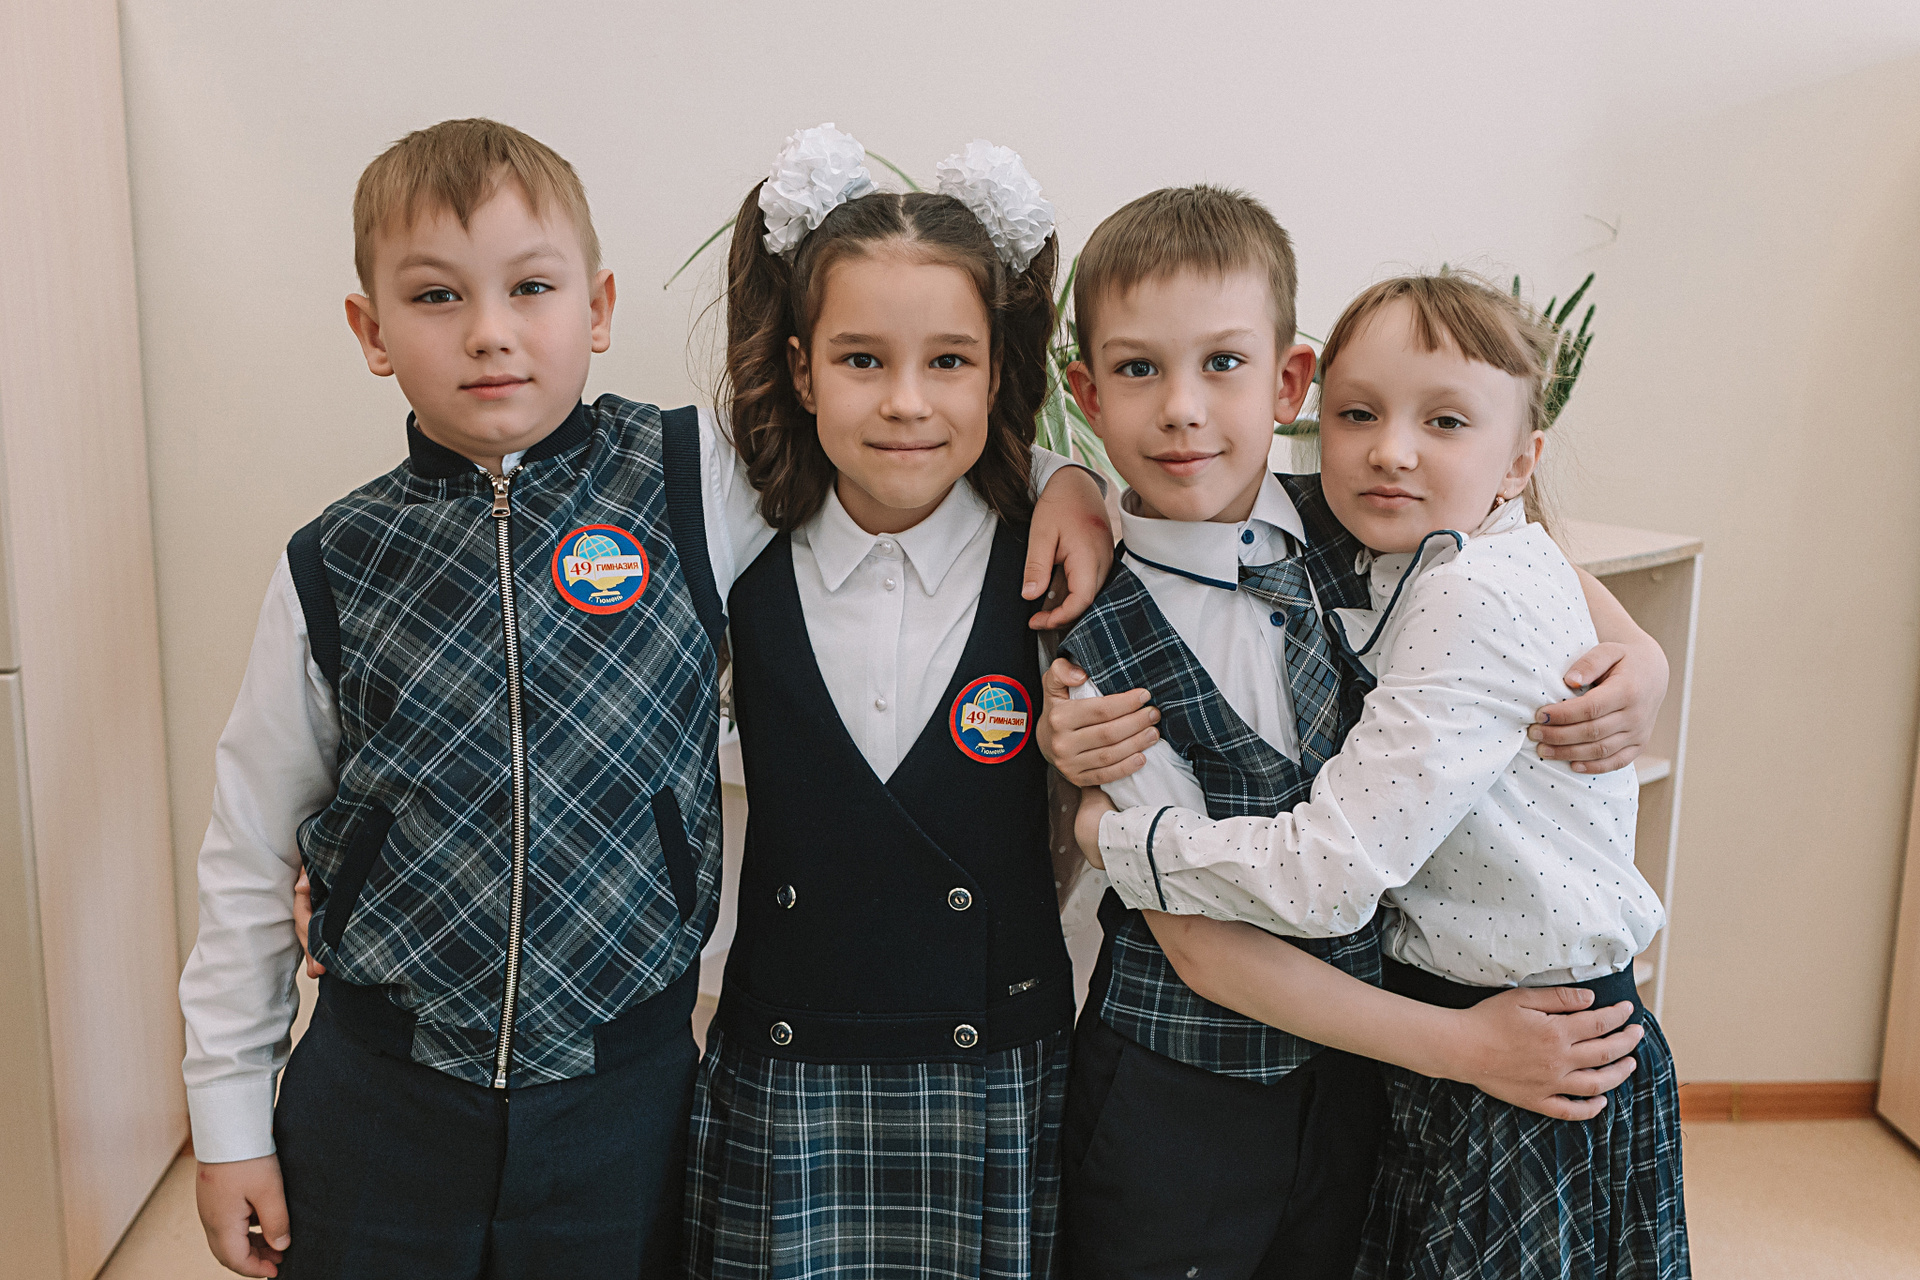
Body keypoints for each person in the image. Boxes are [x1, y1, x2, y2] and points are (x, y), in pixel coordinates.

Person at [177, 118, 1112, 1280]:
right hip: (382, 1082)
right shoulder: (335, 561)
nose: (489, 331)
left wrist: (1070, 480)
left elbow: (903, 433)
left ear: (600, 307)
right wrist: (225, 1116)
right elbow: (248, 850)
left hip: (621, 1089)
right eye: (436, 296)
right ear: (370, 329)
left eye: (531, 287)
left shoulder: (690, 478)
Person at [1037, 187, 1670, 1280]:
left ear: (1289, 383)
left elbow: (1512, 546)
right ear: (1088, 393)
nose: (1183, 409)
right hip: (1179, 1093)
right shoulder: (1094, 631)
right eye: (1139, 369)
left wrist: (1642, 657)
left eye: (1223, 364)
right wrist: (1066, 480)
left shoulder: (1358, 510)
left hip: (1366, 1091)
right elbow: (1200, 943)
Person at [683, 129, 1085, 1279]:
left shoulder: (1056, 566)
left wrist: (1073, 476)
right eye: (863, 359)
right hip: (784, 1056)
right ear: (803, 369)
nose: (907, 402)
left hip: (994, 1061)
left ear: (998, 373)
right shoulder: (733, 549)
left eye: (949, 360)